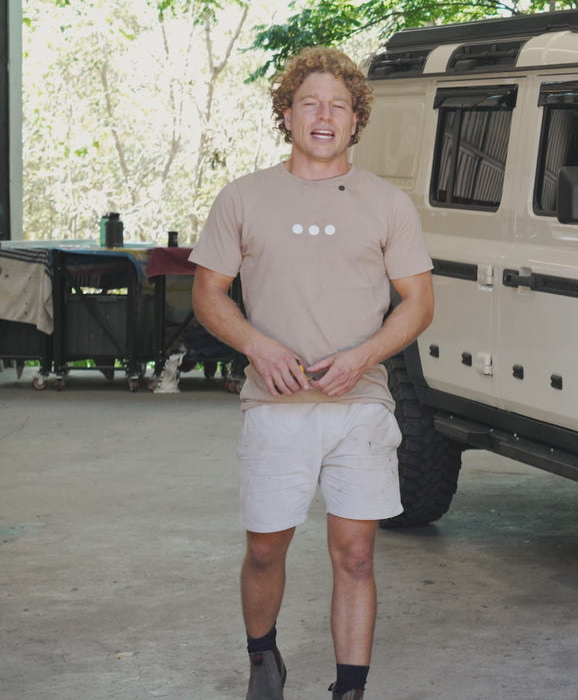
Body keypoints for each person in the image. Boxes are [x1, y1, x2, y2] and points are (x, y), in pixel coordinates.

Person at [191, 47, 434, 700]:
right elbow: (209, 291)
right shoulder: (243, 198)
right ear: (286, 113)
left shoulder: (387, 204)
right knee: (267, 550)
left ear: (357, 120)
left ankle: (350, 690)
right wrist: (257, 347)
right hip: (275, 409)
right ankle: (263, 658)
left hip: (360, 408)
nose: (324, 116)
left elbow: (419, 301)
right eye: (310, 103)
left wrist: (363, 356)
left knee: (355, 555)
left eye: (338, 106)